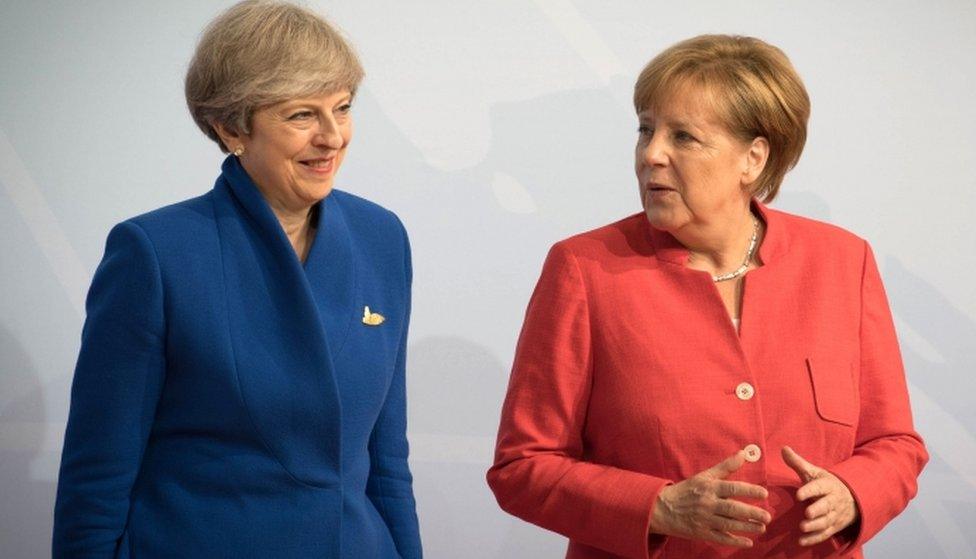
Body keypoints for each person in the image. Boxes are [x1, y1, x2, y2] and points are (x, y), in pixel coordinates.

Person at [487, 34, 927, 559]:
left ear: (753, 158)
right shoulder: (584, 269)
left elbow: (896, 445)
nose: (651, 154)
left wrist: (854, 493)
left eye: (684, 137)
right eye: (646, 130)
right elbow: (523, 467)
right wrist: (657, 507)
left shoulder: (842, 261)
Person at [52, 2, 422, 557]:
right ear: (231, 128)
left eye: (342, 108)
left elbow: (387, 459)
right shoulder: (154, 254)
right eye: (301, 115)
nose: (332, 137)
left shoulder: (381, 236)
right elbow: (98, 473)